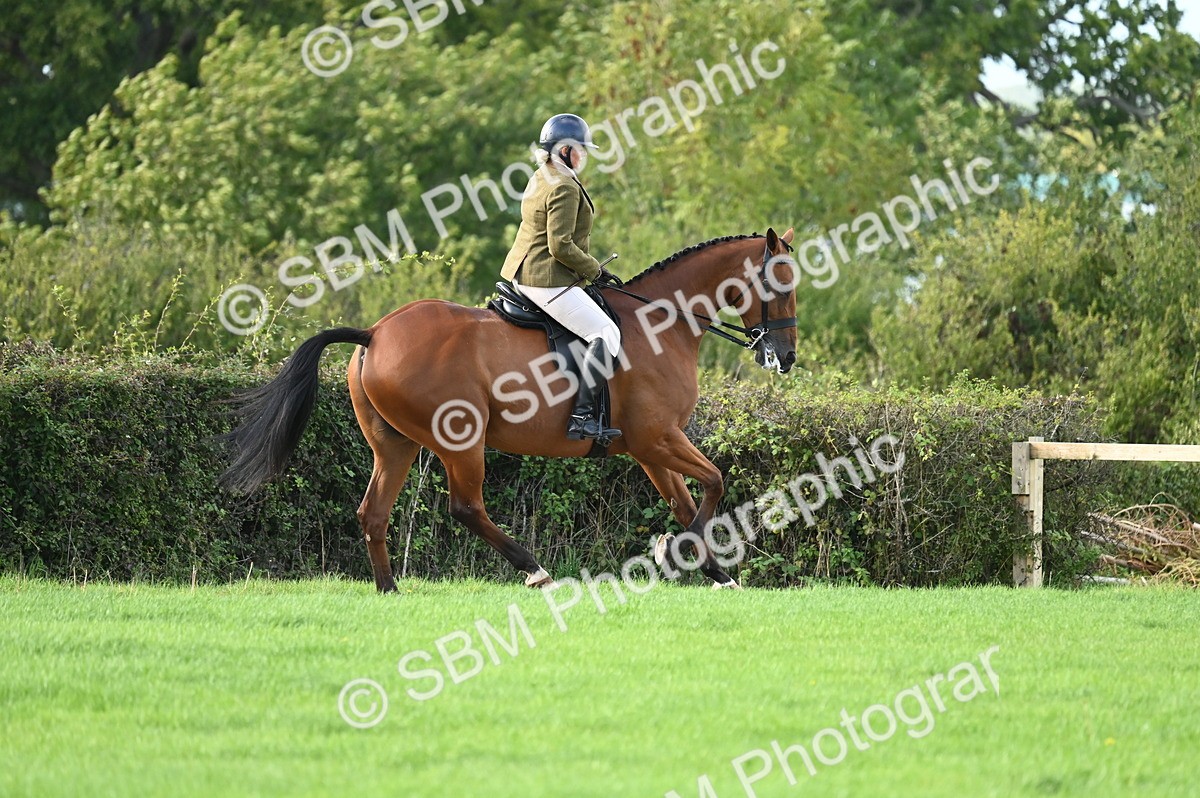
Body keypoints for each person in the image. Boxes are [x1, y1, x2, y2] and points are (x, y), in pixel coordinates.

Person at [501, 113, 623, 442]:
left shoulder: (543, 175)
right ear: (565, 150)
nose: (585, 156)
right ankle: (581, 418)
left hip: (522, 269)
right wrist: (595, 270)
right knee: (606, 332)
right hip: (545, 278)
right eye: (580, 149)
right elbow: (561, 246)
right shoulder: (565, 187)